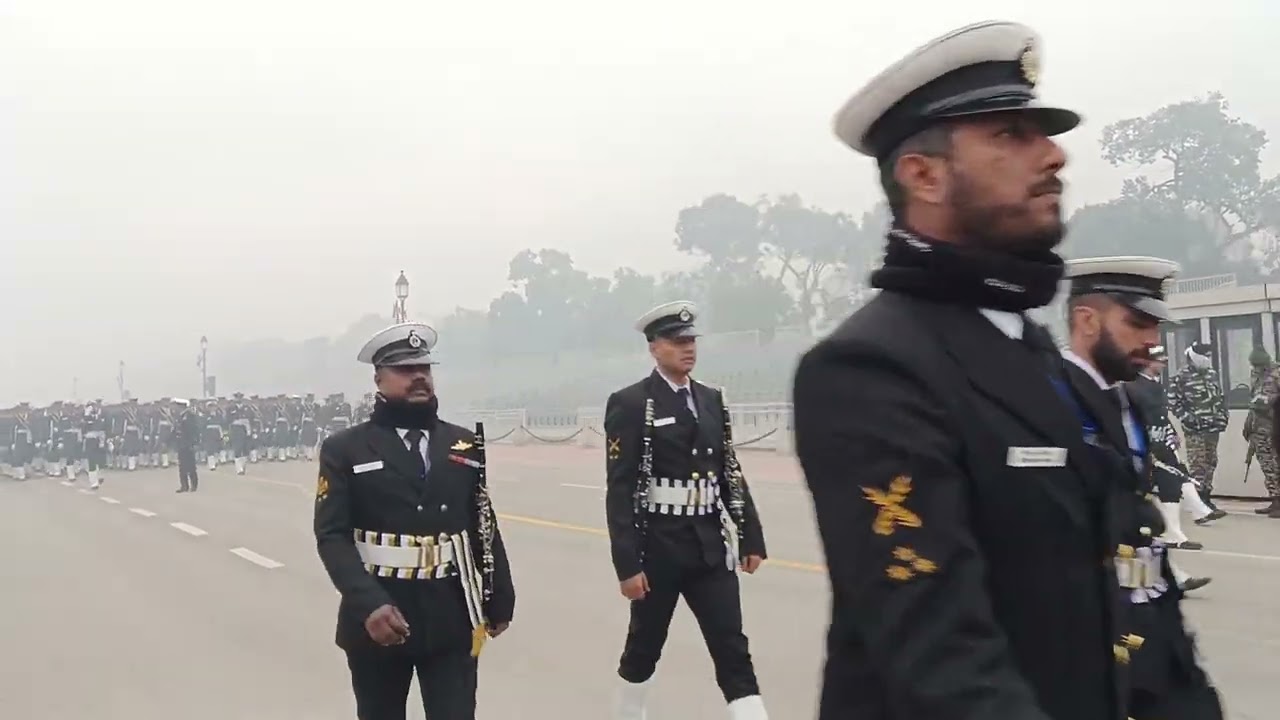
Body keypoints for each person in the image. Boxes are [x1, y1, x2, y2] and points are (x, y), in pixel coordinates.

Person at [793, 21, 1132, 720]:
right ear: (924, 174)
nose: (1055, 156)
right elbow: (942, 658)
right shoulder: (869, 370)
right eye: (1012, 134)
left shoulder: (1031, 349)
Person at [314, 322, 515, 720]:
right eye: (406, 369)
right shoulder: (346, 449)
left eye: (424, 367)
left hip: (451, 614)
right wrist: (369, 604)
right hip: (379, 615)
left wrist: (500, 594)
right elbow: (332, 535)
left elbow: (482, 523)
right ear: (379, 378)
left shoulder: (462, 443)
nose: (419, 376)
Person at [1060, 257, 1222, 720]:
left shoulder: (1127, 399)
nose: (1152, 341)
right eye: (1136, 324)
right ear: (1086, 320)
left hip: (1136, 606)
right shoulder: (1044, 398)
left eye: (1155, 326)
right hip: (1072, 640)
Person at [604, 301, 768, 720]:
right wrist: (627, 565)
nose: (688, 348)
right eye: (677, 342)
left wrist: (750, 534)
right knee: (645, 647)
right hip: (659, 548)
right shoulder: (631, 403)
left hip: (710, 546)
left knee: (731, 644)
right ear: (654, 348)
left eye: (691, 340)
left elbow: (729, 469)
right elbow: (620, 490)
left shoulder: (711, 399)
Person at [1167, 342, 1228, 512]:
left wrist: (1223, 417)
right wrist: (1189, 419)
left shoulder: (1212, 374)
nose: (1208, 359)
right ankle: (1198, 503)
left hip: (1213, 428)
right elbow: (1173, 403)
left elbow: (1220, 398)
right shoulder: (1181, 376)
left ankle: (1207, 497)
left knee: (1211, 462)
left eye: (1209, 356)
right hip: (1195, 430)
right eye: (1205, 356)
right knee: (1198, 465)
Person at [1245, 347, 1280, 517]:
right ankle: (1275, 499)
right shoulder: (1257, 375)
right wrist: (1249, 424)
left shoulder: (1276, 374)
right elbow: (1254, 401)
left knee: (1274, 464)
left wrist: (1263, 403)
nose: (1255, 368)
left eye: (1258, 365)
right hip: (1259, 428)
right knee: (1267, 465)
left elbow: (1266, 401)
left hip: (1273, 428)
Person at [173, 398, 200, 493]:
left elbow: (194, 430)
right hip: (181, 444)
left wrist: (194, 442)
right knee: (182, 466)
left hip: (188, 444)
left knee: (191, 466)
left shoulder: (189, 416)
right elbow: (175, 430)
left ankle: (194, 485)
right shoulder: (179, 416)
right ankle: (184, 486)